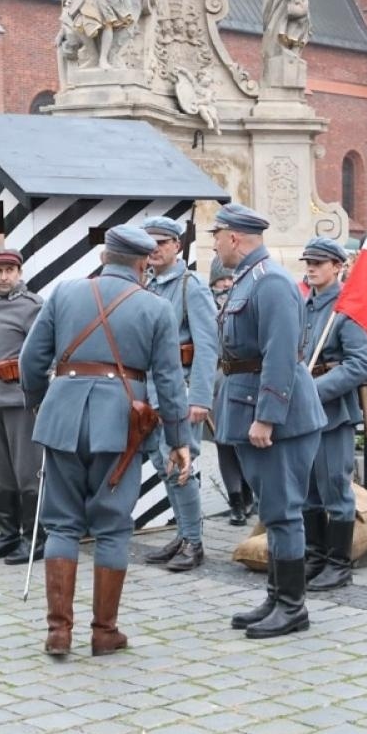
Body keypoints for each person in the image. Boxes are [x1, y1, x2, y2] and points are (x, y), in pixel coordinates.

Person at [19, 225, 190, 656]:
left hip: (62, 417)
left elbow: (30, 361)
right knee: (112, 528)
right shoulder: (156, 308)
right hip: (120, 425)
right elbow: (169, 382)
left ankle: (58, 632)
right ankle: (104, 632)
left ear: (103, 258)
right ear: (142, 264)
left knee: (61, 524)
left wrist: (44, 405)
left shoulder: (64, 292)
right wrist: (179, 439)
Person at [212, 205, 325, 639]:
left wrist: (266, 417)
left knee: (282, 511)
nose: (217, 241)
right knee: (273, 511)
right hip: (249, 406)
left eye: (218, 234)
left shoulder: (270, 282)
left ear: (236, 238)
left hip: (280, 419)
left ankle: (293, 607)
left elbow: (280, 355)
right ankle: (277, 596)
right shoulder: (250, 279)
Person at [138, 217, 218, 574]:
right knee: (161, 465)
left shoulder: (191, 286)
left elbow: (207, 345)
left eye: (162, 242)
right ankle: (184, 534)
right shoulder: (146, 285)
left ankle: (194, 543)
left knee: (179, 466)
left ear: (177, 246)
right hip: (149, 392)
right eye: (149, 242)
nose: (154, 248)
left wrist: (200, 398)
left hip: (180, 391)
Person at [297, 237, 367, 592]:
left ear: (337, 267)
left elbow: (360, 365)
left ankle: (338, 564)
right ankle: (314, 555)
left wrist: (313, 389)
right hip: (302, 413)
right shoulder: (304, 306)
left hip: (332, 412)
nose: (311, 268)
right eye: (308, 262)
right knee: (308, 488)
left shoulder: (347, 309)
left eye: (319, 262)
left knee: (334, 488)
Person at [0, 249, 43, 562]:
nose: (3, 276)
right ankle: (8, 534)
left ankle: (35, 538)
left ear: (20, 271)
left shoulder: (32, 307)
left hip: (18, 398)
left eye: (9, 270)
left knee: (27, 470)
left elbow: (43, 353)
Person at [207, 263, 251, 525]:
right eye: (220, 280)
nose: (225, 285)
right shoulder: (205, 303)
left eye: (228, 279)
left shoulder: (245, 299)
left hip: (243, 379)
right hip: (217, 381)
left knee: (244, 442)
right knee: (224, 442)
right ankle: (235, 501)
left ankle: (248, 494)